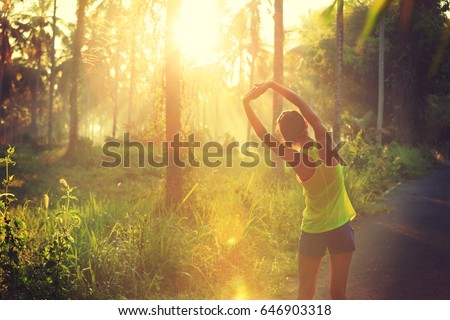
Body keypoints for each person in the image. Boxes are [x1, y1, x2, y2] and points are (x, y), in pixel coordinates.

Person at [242, 81, 356, 300]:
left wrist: (246, 102)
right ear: (306, 124)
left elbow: (263, 135)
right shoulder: (324, 143)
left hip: (313, 231)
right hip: (341, 228)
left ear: (286, 138)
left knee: (304, 294)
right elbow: (304, 106)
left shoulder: (295, 158)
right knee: (338, 294)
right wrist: (273, 85)